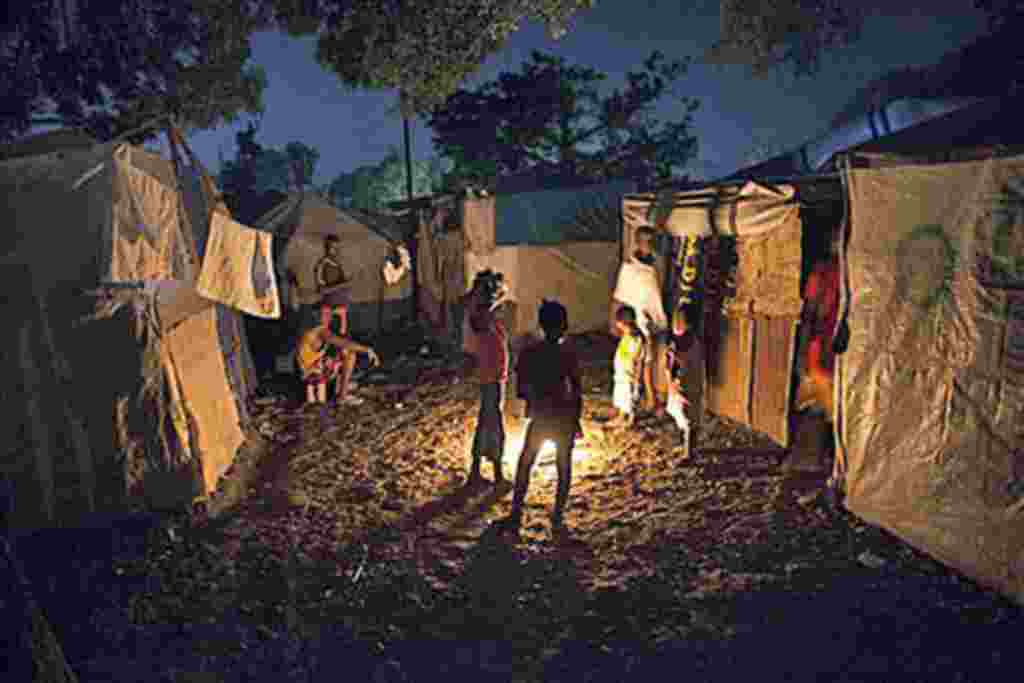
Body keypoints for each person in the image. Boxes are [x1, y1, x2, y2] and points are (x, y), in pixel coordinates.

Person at [501, 300, 583, 533]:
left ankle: (516, 512)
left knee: (526, 462)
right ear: (564, 326)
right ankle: (557, 515)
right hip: (564, 416)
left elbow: (520, 389)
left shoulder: (531, 352)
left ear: (541, 324)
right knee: (563, 466)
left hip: (541, 416)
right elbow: (576, 389)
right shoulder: (567, 354)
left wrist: (532, 399)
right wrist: (576, 418)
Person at [610, 225, 667, 413]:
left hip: (652, 319)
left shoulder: (657, 265)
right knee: (633, 365)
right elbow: (621, 293)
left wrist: (656, 315)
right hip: (635, 321)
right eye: (645, 241)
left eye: (652, 241)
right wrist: (616, 321)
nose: (649, 245)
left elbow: (656, 292)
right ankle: (634, 402)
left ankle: (651, 398)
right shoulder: (630, 268)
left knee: (650, 360)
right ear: (638, 242)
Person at [466, 271, 510, 488]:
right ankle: (497, 474)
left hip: (493, 376)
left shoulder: (486, 317)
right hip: (490, 378)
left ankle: (476, 471)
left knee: (487, 421)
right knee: (492, 424)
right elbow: (481, 318)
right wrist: (497, 294)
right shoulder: (481, 318)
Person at [314, 235, 360, 404]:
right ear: (326, 247)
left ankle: (342, 385)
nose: (336, 251)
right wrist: (344, 284)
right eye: (333, 247)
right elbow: (322, 291)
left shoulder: (336, 264)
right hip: (330, 312)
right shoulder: (323, 265)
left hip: (339, 312)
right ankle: (341, 393)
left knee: (343, 346)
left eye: (337, 248)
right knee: (339, 348)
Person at [296, 318, 379, 405]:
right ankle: (342, 396)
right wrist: (367, 350)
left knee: (343, 354)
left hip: (310, 372)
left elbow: (341, 342)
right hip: (308, 375)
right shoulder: (320, 332)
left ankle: (341, 392)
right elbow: (342, 343)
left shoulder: (316, 333)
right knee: (350, 354)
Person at [665, 305, 698, 454]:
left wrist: (674, 356)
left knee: (688, 417)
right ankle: (686, 445)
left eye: (681, 321)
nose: (677, 324)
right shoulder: (676, 341)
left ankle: (689, 452)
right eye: (675, 321)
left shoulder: (692, 343)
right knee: (679, 414)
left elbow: (689, 362)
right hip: (676, 385)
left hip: (687, 384)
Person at [609, 304, 646, 429]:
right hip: (621, 374)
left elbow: (638, 360)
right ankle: (620, 417)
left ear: (622, 323)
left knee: (630, 398)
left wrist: (637, 378)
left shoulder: (636, 339)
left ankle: (630, 420)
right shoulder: (627, 335)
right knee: (621, 397)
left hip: (629, 375)